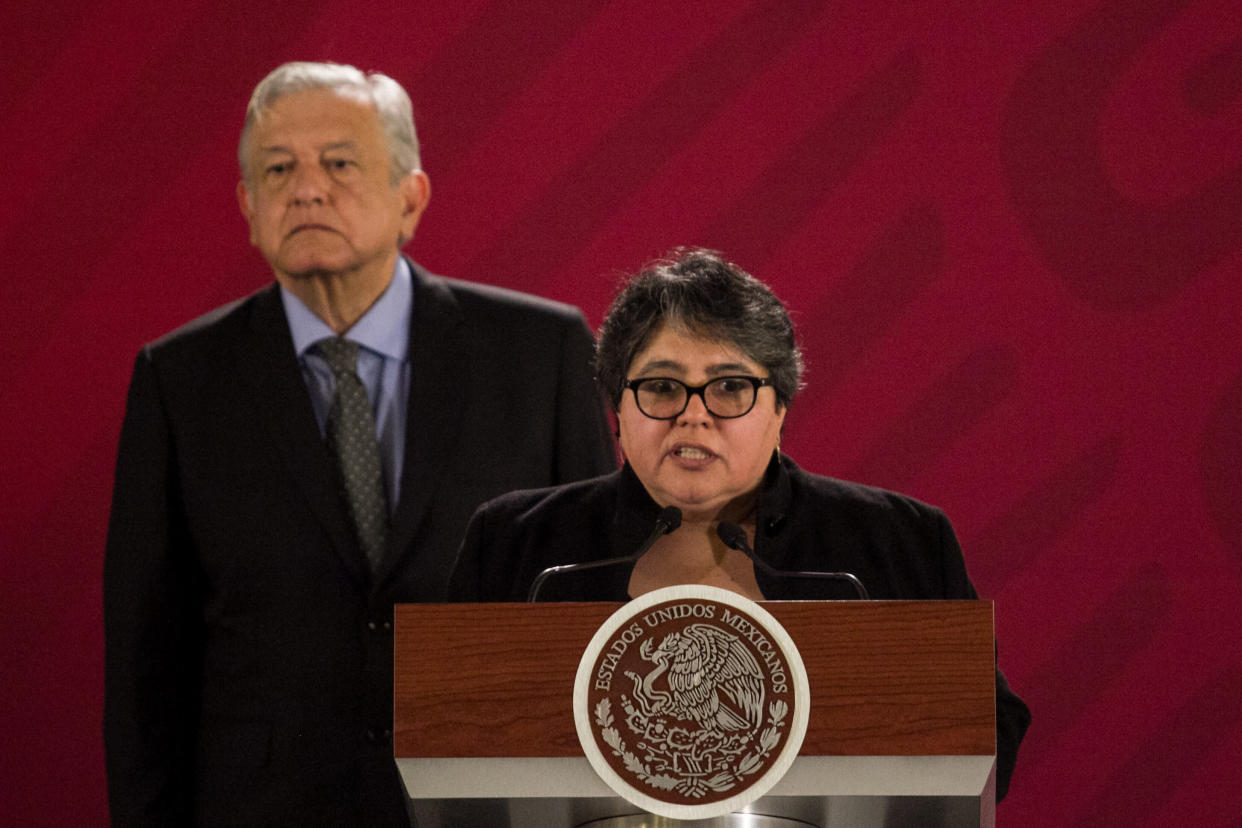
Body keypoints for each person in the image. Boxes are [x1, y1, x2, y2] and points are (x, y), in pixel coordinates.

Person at [103, 62, 616, 827]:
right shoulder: (179, 380)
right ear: (248, 207)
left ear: (411, 197)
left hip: (490, 805)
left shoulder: (542, 354)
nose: (306, 189)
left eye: (339, 163)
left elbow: (600, 609)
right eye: (278, 170)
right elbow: (146, 660)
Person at [448, 247, 1030, 800]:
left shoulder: (897, 543)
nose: (693, 415)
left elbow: (988, 738)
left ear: (779, 408)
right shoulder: (517, 546)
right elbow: (446, 737)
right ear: (618, 410)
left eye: (730, 387)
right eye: (661, 387)